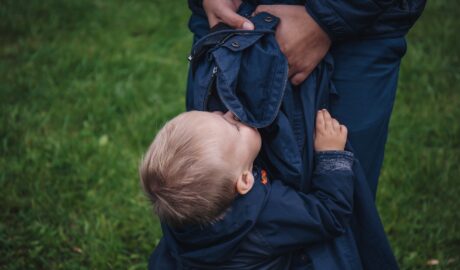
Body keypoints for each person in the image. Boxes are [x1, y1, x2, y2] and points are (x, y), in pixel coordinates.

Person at [141, 109, 355, 269]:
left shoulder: (178, 208)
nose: (230, 113)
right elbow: (330, 213)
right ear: (245, 181)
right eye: (234, 127)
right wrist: (331, 155)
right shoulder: (268, 214)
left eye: (215, 114)